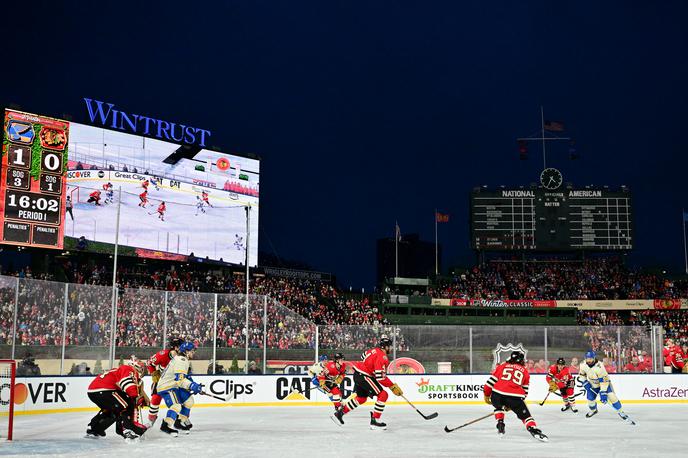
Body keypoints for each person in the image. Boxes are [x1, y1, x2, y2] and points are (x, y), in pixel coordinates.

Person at [331, 337, 402, 430]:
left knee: (361, 398)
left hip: (358, 374)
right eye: (390, 346)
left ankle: (339, 413)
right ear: (386, 347)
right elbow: (380, 377)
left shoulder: (373, 350)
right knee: (383, 395)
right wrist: (392, 386)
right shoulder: (382, 357)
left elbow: (363, 356)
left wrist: (370, 367)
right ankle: (374, 421)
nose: (391, 348)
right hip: (364, 376)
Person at [484, 351, 547, 441]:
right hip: (514, 397)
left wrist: (486, 395)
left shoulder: (502, 366)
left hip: (496, 395)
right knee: (526, 416)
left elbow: (489, 384)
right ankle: (533, 429)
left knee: (498, 406)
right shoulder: (525, 371)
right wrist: (512, 405)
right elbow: (524, 393)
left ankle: (500, 423)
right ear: (521, 360)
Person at [86, 356, 148, 440]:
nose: (143, 369)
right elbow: (127, 383)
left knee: (114, 411)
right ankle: (128, 430)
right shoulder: (129, 369)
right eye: (141, 364)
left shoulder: (120, 370)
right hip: (104, 390)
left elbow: (123, 385)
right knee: (126, 405)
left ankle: (95, 429)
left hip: (95, 392)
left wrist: (142, 398)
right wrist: (135, 396)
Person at [157, 342, 203, 436]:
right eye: (192, 351)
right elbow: (180, 381)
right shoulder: (181, 360)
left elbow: (185, 377)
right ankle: (166, 425)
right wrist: (192, 386)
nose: (193, 352)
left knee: (189, 401)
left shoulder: (183, 359)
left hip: (174, 385)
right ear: (186, 351)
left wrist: (194, 386)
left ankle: (180, 421)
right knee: (176, 406)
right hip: (167, 386)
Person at [577, 350, 634, 424]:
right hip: (592, 384)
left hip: (604, 384)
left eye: (591, 358)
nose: (589, 360)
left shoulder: (600, 366)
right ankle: (593, 410)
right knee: (590, 400)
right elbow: (581, 375)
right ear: (585, 358)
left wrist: (603, 392)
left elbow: (604, 381)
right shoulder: (583, 364)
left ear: (594, 358)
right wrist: (585, 382)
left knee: (612, 396)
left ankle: (621, 412)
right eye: (588, 358)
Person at [145, 337, 183, 426]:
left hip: (174, 382)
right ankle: (151, 419)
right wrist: (154, 373)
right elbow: (149, 363)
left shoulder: (182, 357)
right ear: (176, 347)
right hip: (161, 381)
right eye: (181, 346)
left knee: (178, 400)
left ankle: (177, 419)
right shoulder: (163, 354)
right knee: (155, 398)